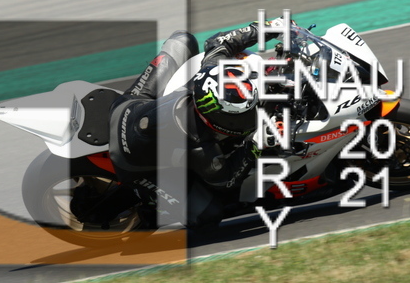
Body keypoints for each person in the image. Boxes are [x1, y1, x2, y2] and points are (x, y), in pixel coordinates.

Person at [108, 20, 283, 229]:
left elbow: (219, 42)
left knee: (182, 40)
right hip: (131, 162)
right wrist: (255, 144)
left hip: (132, 104)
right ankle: (152, 209)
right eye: (235, 118)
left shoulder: (211, 72)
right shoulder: (200, 144)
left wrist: (266, 28)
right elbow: (225, 180)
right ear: (213, 119)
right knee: (208, 215)